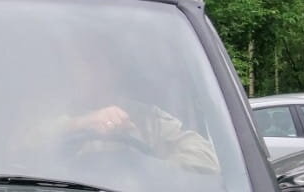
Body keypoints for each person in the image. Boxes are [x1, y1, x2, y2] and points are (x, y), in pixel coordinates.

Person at [40, 48, 220, 173]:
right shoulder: (46, 113)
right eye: (77, 62)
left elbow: (208, 162)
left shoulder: (147, 118)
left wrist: (143, 165)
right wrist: (78, 124)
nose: (81, 70)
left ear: (114, 70)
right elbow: (18, 148)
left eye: (93, 62)